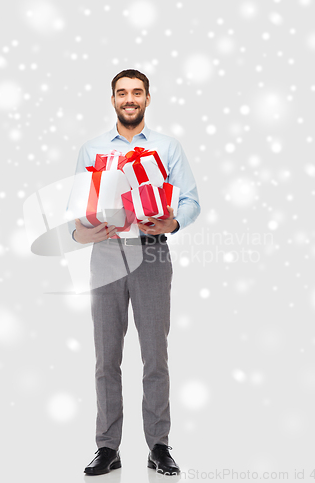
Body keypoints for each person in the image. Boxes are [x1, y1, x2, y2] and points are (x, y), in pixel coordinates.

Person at [71, 69, 201, 476]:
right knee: (106, 357)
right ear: (112, 100)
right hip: (107, 254)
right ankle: (108, 447)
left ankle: (158, 446)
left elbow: (191, 201)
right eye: (122, 93)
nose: (130, 98)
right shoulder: (92, 150)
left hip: (152, 255)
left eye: (137, 92)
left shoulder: (167, 147)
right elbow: (77, 213)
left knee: (154, 356)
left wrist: (171, 224)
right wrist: (84, 231)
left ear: (147, 98)